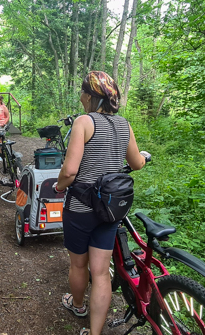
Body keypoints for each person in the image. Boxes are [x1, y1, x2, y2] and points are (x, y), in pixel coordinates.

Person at [53, 71, 149, 335]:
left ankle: (79, 305)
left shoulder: (84, 122)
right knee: (101, 271)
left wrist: (59, 185)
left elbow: (70, 171)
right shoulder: (124, 125)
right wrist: (143, 156)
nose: (81, 98)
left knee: (79, 265)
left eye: (83, 93)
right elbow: (137, 163)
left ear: (91, 96)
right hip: (110, 209)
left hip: (81, 209)